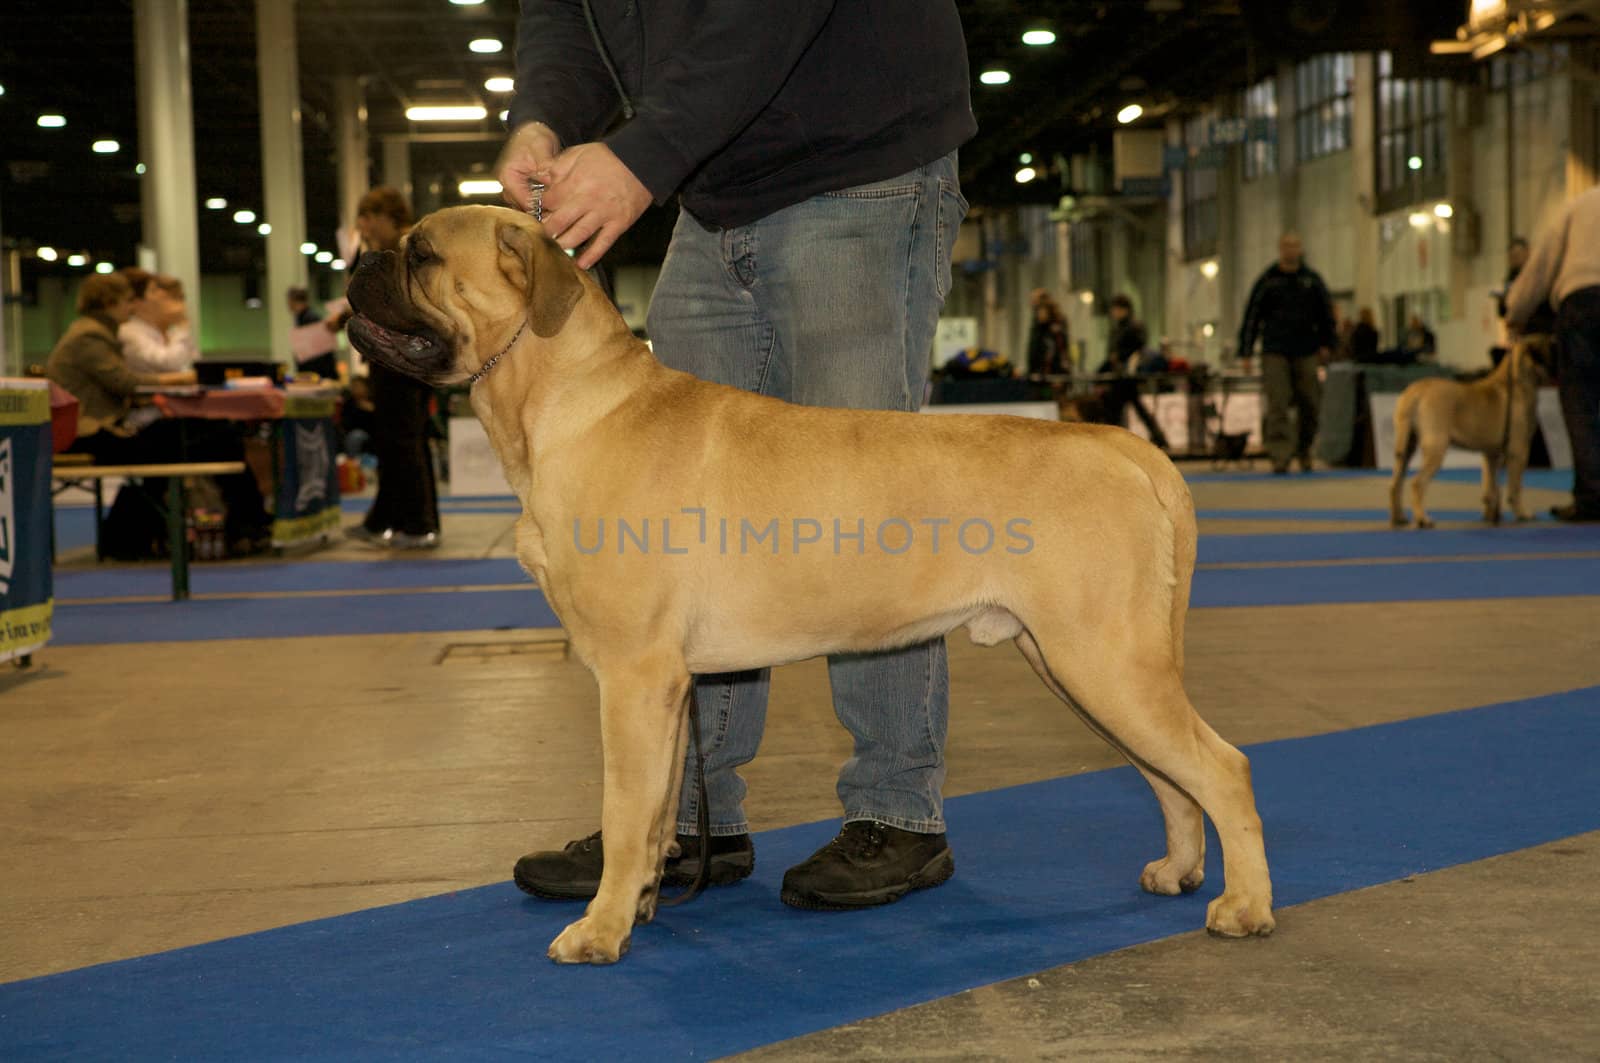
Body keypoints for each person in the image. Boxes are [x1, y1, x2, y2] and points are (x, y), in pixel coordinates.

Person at [496, 1, 975, 910]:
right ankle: (681, 821)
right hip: (711, 191)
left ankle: (897, 809)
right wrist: (542, 118)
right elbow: (566, 12)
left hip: (857, 165)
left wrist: (643, 153)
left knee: (867, 509)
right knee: (682, 538)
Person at [46, 272, 271, 556]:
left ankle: (132, 538)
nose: (132, 306)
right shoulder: (90, 335)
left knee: (204, 438)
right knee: (209, 439)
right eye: (129, 301)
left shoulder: (95, 332)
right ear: (109, 301)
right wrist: (179, 379)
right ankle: (247, 525)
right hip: (89, 435)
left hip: (98, 430)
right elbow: (125, 382)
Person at [332, 188, 441, 549]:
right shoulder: (386, 250)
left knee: (403, 441)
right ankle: (389, 520)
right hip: (394, 357)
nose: (362, 225)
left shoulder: (405, 247)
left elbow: (389, 302)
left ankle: (418, 524)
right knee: (399, 441)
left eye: (366, 217)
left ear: (384, 215)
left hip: (403, 358)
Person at [1506, 185, 1600, 522]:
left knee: (1581, 403)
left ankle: (1592, 498)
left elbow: (1541, 266)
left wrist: (1515, 310)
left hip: (1582, 305)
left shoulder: (1579, 205)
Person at [1237, 232, 1335, 474]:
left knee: (1310, 402)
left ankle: (1304, 451)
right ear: (1280, 249)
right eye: (1286, 246)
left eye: (1294, 245)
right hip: (1275, 351)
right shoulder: (1268, 281)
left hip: (1306, 350)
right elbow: (1252, 316)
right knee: (1277, 404)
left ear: (1300, 249)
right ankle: (1280, 456)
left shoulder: (1312, 281)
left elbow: (1326, 315)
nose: (1290, 250)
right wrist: (1246, 351)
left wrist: (1328, 344)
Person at [1096, 294, 1169, 449]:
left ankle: (1111, 440)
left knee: (1115, 410)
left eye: (1116, 309)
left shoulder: (1132, 327)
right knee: (1134, 408)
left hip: (1127, 375)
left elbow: (1134, 349)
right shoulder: (1120, 327)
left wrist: (1118, 358)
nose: (1113, 313)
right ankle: (1158, 438)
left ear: (1124, 309)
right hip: (1122, 375)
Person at [118, 269, 197, 375]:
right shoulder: (129, 332)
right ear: (136, 302)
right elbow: (169, 364)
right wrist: (181, 327)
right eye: (153, 290)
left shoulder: (168, 331)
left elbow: (194, 362)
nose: (162, 294)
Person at [287, 286, 338, 382]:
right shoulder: (304, 318)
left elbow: (317, 353)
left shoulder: (309, 319)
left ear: (292, 301)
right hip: (317, 371)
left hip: (318, 373)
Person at [1027, 288, 1071, 377]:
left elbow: (1060, 350)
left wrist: (1060, 369)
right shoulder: (1038, 326)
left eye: (1037, 306)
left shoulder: (1057, 327)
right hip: (1039, 371)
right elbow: (1034, 349)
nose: (1032, 304)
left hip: (1052, 371)